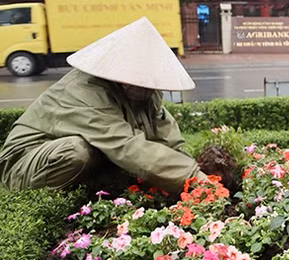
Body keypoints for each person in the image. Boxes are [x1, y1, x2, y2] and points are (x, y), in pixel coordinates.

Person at [0, 17, 208, 193]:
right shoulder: (85, 92)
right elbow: (127, 146)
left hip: (73, 151)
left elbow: (167, 136)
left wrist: (197, 177)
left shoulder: (146, 91)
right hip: (25, 162)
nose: (149, 88)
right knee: (76, 152)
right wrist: (194, 179)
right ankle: (58, 196)